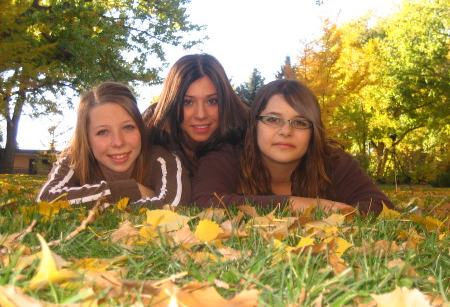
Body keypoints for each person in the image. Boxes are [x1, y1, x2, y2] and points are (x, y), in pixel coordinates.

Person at [192, 79, 395, 215]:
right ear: (254, 125)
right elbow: (204, 203)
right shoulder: (224, 158)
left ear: (312, 131)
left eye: (299, 122)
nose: (286, 131)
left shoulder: (334, 162)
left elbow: (380, 206)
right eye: (273, 119)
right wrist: (300, 205)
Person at [37, 82, 191, 208]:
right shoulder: (74, 158)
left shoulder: (161, 158)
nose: (118, 142)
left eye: (128, 127)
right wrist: (130, 190)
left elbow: (174, 206)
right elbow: (46, 199)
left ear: (140, 129)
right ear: (87, 138)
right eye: (103, 132)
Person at [143, 53, 248, 175]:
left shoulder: (246, 143)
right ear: (171, 104)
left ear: (225, 102)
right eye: (187, 102)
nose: (201, 115)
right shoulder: (147, 145)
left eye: (212, 101)